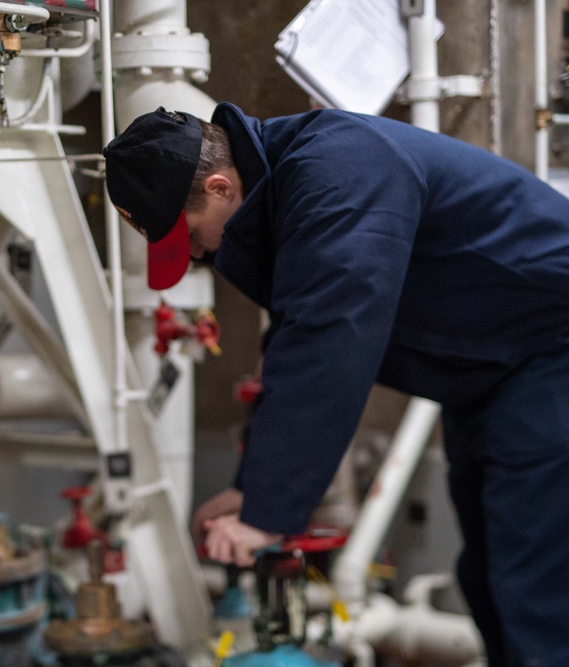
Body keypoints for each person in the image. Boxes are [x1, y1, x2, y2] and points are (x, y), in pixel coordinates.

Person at [102, 104, 569, 666]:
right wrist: (254, 485)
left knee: (536, 587)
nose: (198, 254)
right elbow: (294, 340)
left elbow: (330, 340)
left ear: (222, 187)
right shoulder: (286, 189)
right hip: (489, 373)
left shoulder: (340, 169)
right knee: (492, 574)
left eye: (192, 236)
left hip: (550, 353)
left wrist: (266, 516)